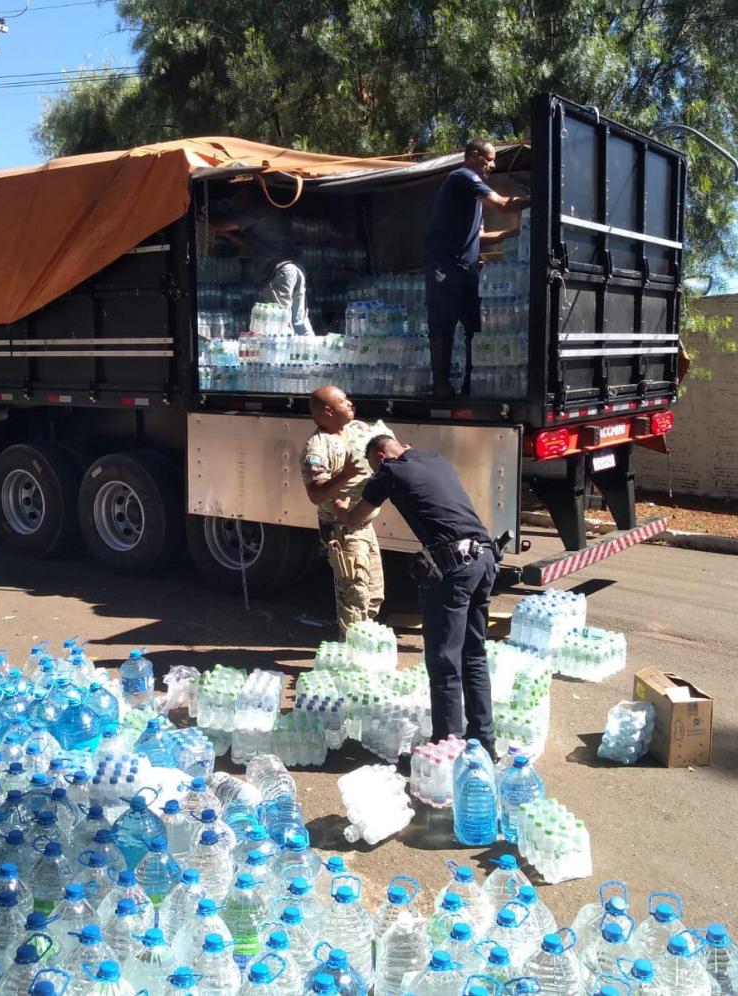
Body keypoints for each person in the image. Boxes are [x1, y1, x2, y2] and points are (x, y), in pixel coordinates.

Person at [334, 434, 496, 754]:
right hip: (485, 557)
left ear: (380, 457)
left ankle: (447, 750)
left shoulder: (389, 472)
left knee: (444, 661)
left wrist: (338, 506)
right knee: (473, 655)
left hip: (454, 569)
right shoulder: (434, 458)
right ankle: (484, 740)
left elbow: (356, 516)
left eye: (373, 465)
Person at [423, 138, 529, 397]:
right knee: (443, 326)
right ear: (472, 156)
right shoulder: (463, 177)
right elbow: (502, 204)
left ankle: (472, 384)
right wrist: (537, 198)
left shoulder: (474, 196)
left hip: (465, 268)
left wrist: (514, 232)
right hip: (444, 266)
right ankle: (441, 386)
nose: (492, 165)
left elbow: (479, 237)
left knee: (474, 327)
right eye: (489, 159)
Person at [300, 385, 384, 637]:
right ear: (327, 410)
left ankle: (366, 648)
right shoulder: (317, 447)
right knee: (354, 599)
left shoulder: (355, 430)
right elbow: (315, 494)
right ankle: (351, 658)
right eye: (343, 401)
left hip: (364, 527)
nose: (350, 404)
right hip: (343, 531)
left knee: (373, 595)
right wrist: (345, 475)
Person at [211, 181, 315, 335]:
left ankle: (284, 357)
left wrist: (209, 224)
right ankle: (310, 352)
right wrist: (226, 234)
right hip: (293, 268)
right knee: (299, 320)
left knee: (280, 322)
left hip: (278, 271)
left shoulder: (258, 208)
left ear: (245, 192)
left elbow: (224, 224)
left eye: (235, 197)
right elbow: (249, 244)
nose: (233, 203)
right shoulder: (265, 212)